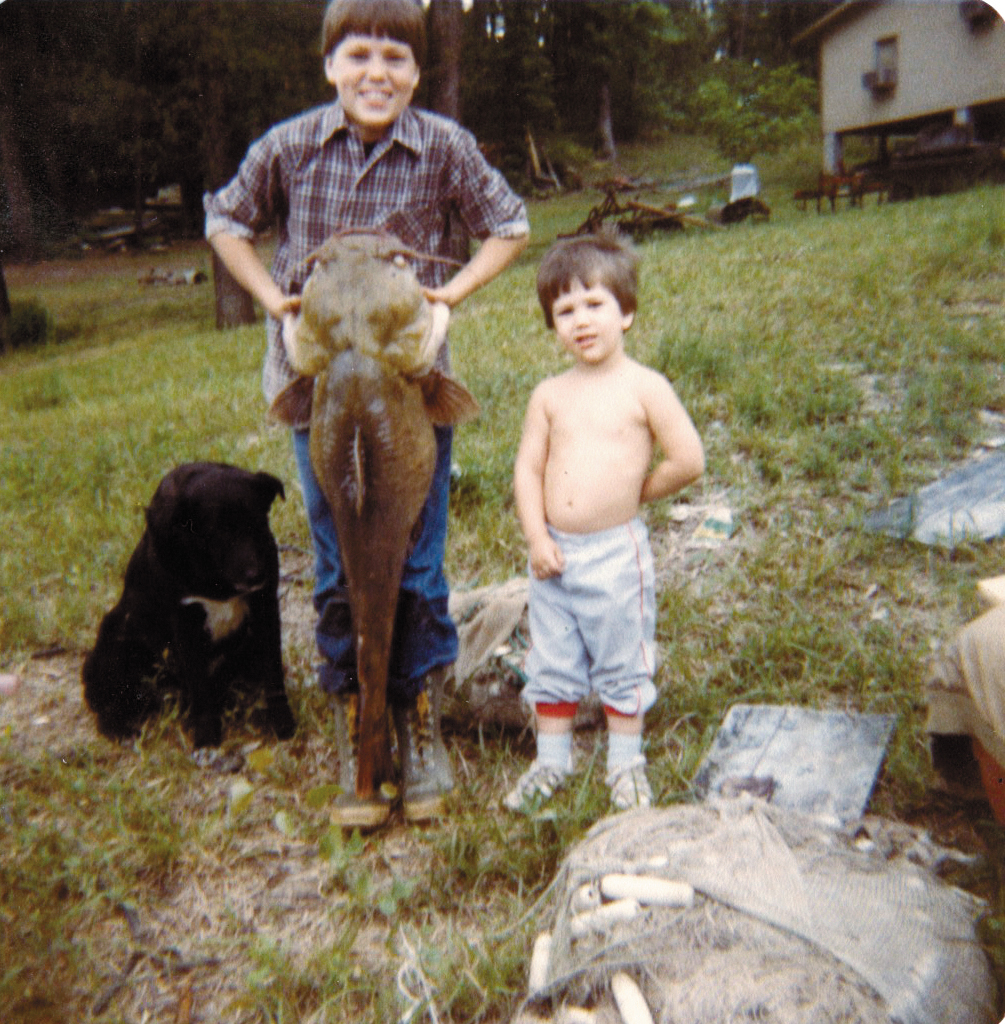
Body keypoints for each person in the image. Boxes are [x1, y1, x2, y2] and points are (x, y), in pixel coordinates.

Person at [204, 0, 529, 827]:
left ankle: (413, 715)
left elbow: (511, 224)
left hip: (413, 392)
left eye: (394, 57)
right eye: (358, 55)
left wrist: (449, 294)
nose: (376, 72)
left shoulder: (444, 146)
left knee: (416, 564)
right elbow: (224, 219)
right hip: (317, 391)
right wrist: (273, 298)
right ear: (329, 65)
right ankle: (359, 715)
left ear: (417, 72)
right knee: (334, 559)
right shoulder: (287, 146)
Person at [506, 231, 704, 812]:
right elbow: (526, 471)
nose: (581, 320)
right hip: (554, 558)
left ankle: (625, 764)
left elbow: (689, 459)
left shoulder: (645, 387)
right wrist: (538, 537)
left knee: (622, 656)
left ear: (628, 312)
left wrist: (633, 494)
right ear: (553, 325)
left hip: (616, 555)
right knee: (553, 658)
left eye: (595, 304)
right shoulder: (549, 395)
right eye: (564, 311)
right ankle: (551, 762)